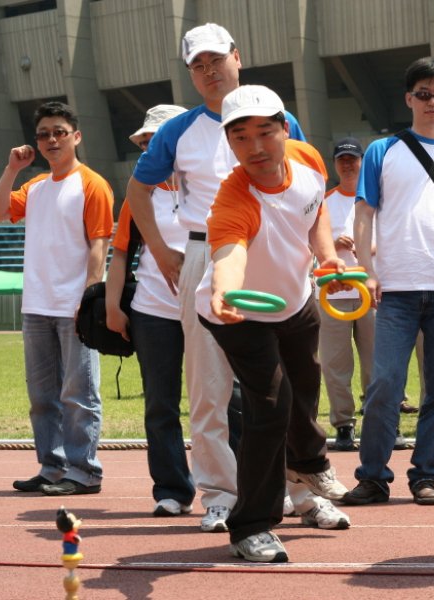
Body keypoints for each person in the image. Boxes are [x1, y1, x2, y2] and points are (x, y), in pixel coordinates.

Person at [126, 23, 343, 532]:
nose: (208, 71)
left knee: (290, 386)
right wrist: (162, 251)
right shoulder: (179, 130)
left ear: (237, 58)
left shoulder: (280, 119)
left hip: (282, 260)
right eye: (196, 65)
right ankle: (221, 494)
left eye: (215, 59)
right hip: (212, 253)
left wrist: (324, 254)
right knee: (210, 386)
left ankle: (299, 491)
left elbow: (309, 198)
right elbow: (138, 192)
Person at [197, 84, 351, 562]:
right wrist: (225, 290)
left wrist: (325, 257)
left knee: (306, 386)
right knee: (271, 405)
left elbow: (316, 208)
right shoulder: (232, 200)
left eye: (266, 132)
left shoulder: (306, 159)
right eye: (241, 137)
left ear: (285, 130)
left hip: (295, 299)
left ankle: (309, 467)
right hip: (238, 311)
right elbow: (229, 255)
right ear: (229, 144)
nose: (256, 147)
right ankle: (250, 527)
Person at [341, 57, 434, 507]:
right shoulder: (382, 150)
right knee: (384, 386)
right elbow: (364, 215)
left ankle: (426, 475)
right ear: (408, 99)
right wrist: (366, 269)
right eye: (423, 94)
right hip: (394, 289)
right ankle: (373, 475)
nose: (432, 102)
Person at [0, 101, 113, 496]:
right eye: (44, 133)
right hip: (37, 306)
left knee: (79, 393)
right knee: (42, 397)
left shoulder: (92, 183)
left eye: (59, 131)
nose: (51, 139)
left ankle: (84, 471)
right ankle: (52, 467)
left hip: (73, 305)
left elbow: (99, 244)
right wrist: (11, 169)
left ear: (76, 136)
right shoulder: (35, 186)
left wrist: (89, 297)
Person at [105, 104, 196, 516]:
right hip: (152, 311)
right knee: (160, 404)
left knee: (229, 400)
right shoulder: (136, 196)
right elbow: (120, 255)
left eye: (156, 141)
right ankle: (172, 489)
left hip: (207, 307)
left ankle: (235, 485)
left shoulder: (207, 186)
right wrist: (112, 307)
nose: (149, 148)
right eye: (144, 142)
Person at [318, 137, 375, 451]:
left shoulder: (376, 199)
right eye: (342, 159)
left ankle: (382, 422)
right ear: (335, 164)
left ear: (363, 161)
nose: (348, 164)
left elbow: (393, 240)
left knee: (376, 363)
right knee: (335, 364)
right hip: (334, 293)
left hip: (370, 291)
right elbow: (310, 244)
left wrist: (366, 247)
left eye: (353, 158)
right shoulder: (325, 201)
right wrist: (333, 246)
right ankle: (343, 425)